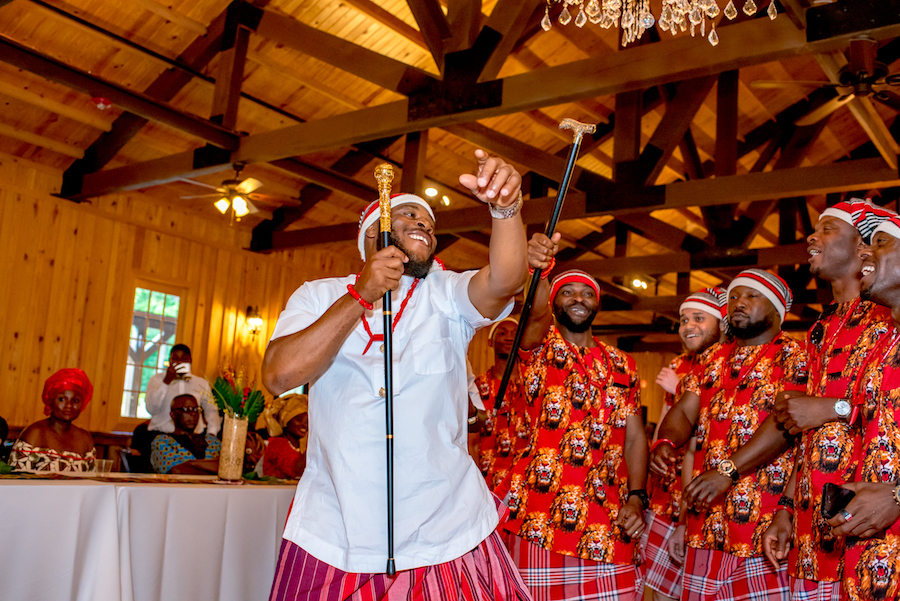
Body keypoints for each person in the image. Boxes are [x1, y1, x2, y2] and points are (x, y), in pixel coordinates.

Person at [262, 150, 531, 600]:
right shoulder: (318, 295)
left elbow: (505, 280)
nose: (425, 224)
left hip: (446, 530)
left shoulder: (443, 292)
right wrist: (362, 294)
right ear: (373, 232)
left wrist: (505, 209)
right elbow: (279, 374)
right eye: (409, 214)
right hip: (334, 532)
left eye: (429, 221)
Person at [496, 232, 648, 601]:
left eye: (587, 293)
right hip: (539, 517)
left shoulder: (622, 364)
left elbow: (634, 437)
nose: (578, 299)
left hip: (608, 517)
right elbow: (533, 312)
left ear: (598, 304)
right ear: (552, 299)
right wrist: (540, 268)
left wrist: (637, 497)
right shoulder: (538, 346)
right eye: (567, 291)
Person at [761, 199, 895, 600]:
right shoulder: (821, 328)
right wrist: (785, 506)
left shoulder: (885, 320)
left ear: (862, 246)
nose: (811, 237)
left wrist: (832, 408)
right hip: (817, 526)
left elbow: (866, 414)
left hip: (874, 526)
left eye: (829, 228)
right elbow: (808, 428)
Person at [651, 268, 807, 601]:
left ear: (778, 308)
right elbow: (683, 411)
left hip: (764, 527)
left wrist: (727, 471)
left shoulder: (796, 357)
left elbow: (785, 424)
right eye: (734, 295)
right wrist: (666, 442)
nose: (739, 303)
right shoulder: (710, 359)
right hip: (706, 522)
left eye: (752, 296)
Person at [824, 214, 900, 601]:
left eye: (882, 242)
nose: (865, 251)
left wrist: (898, 495)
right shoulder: (882, 350)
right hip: (869, 559)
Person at [645, 286, 726, 601]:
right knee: (662, 589)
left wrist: (680, 389)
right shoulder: (679, 364)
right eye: (683, 319)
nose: (689, 325)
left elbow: (708, 426)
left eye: (699, 318)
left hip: (706, 494)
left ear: (721, 323)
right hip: (668, 494)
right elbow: (665, 425)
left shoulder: (729, 363)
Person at [475, 317, 531, 489]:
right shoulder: (476, 387)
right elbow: (471, 442)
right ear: (490, 342)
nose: (508, 337)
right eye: (502, 333)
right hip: (487, 483)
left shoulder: (533, 386)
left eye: (515, 334)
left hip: (525, 482)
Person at [9, 368, 96, 472]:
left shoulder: (85, 439)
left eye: (75, 400)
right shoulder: (35, 434)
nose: (69, 405)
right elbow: (15, 481)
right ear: (50, 400)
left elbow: (92, 481)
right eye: (62, 399)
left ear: (83, 404)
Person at [145, 344, 221, 436]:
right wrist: (166, 382)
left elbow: (211, 411)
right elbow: (151, 409)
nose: (180, 362)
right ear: (170, 360)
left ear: (190, 361)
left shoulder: (201, 383)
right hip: (161, 435)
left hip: (193, 437)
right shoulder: (156, 380)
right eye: (175, 359)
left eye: (184, 359)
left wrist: (211, 433)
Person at [149, 390, 221, 474]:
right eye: (187, 409)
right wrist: (212, 468)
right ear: (173, 415)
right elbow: (176, 471)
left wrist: (191, 464)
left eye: (196, 409)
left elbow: (228, 466)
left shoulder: (212, 441)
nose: (193, 413)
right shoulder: (163, 441)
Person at [261, 393, 309, 479]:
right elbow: (296, 471)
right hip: (274, 492)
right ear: (286, 421)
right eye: (299, 420)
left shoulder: (299, 447)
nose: (304, 425)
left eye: (307, 421)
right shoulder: (277, 444)